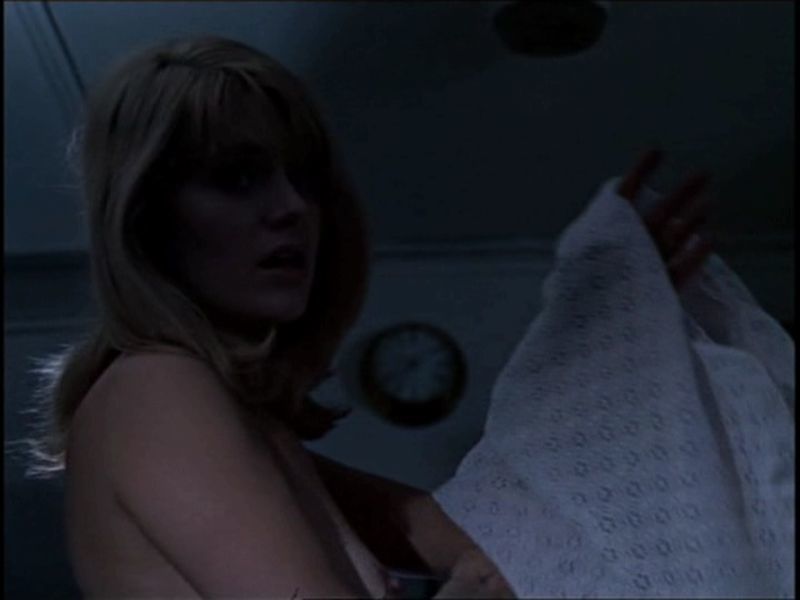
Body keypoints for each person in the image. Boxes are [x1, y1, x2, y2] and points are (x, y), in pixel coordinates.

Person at [8, 32, 716, 599]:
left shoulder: (242, 425)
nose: (292, 208)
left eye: (303, 178)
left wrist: (603, 326)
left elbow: (489, 537)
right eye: (238, 177)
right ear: (146, 217)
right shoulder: (157, 388)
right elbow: (494, 563)